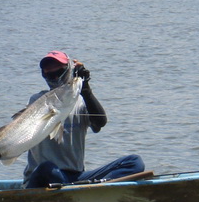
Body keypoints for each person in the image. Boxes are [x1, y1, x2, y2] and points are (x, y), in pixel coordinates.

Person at [22, 51, 145, 188]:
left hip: (75, 176)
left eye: (60, 71)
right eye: (50, 74)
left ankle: (89, 188)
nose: (55, 77)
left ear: (68, 70)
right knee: (48, 169)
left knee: (135, 162)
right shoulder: (38, 101)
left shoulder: (81, 101)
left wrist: (85, 88)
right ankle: (80, 188)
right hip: (43, 177)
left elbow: (100, 122)